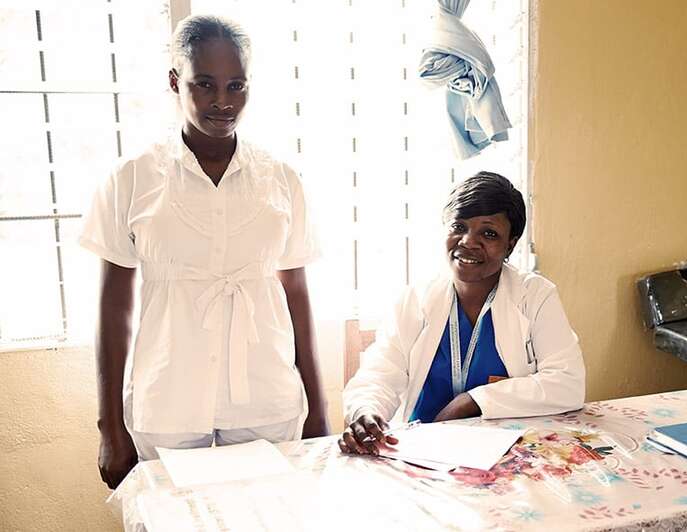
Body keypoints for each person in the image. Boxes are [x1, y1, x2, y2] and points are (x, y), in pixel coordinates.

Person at [80, 15, 329, 489]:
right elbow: (114, 307)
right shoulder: (132, 178)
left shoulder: (281, 179)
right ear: (175, 82)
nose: (222, 101)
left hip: (265, 395)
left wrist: (318, 407)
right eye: (205, 85)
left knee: (271, 516)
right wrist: (108, 426)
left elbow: (296, 293)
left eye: (236, 85)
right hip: (168, 397)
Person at [340, 172, 585, 454]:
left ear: (511, 244)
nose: (468, 241)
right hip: (422, 450)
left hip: (506, 454)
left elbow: (568, 384)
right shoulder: (416, 298)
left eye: (489, 233)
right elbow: (381, 372)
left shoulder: (535, 296)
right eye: (459, 226)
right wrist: (366, 410)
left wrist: (472, 401)